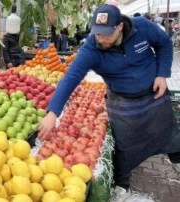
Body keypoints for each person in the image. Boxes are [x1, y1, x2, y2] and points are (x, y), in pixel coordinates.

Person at [37, 4, 180, 202]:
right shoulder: (91, 49)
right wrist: (53, 112)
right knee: (124, 147)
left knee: (168, 132)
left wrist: (163, 74)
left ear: (120, 26)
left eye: (107, 34)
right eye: (98, 33)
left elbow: (164, 43)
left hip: (154, 96)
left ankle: (177, 159)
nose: (101, 39)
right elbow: (71, 77)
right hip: (123, 104)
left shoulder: (142, 27)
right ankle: (123, 185)